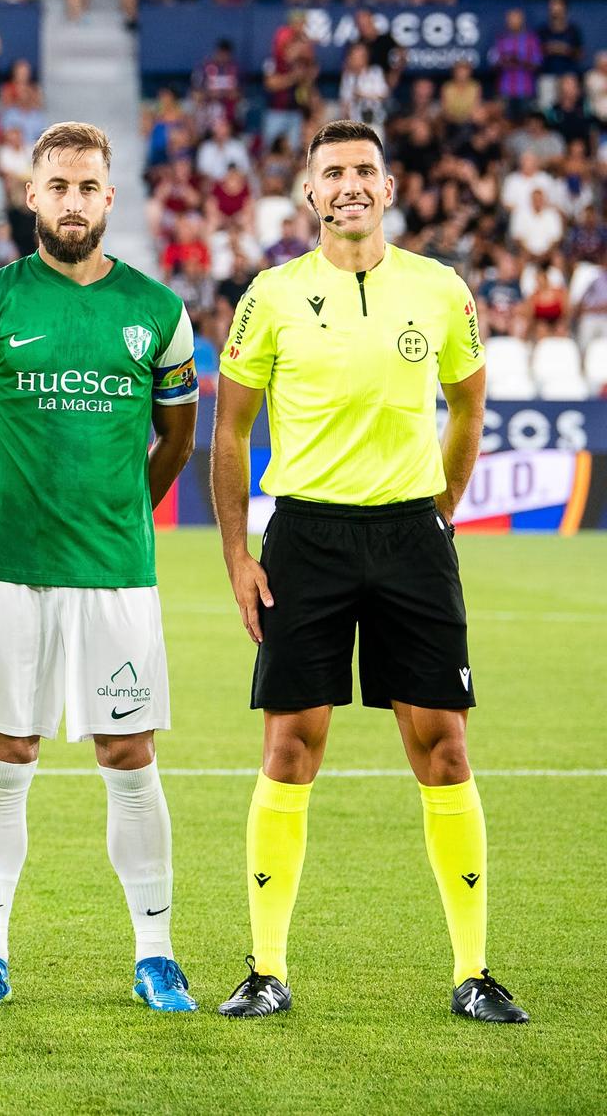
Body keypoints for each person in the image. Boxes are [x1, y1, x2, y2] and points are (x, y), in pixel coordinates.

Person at [212, 120, 526, 1024]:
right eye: (332, 173)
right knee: (289, 748)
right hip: (305, 539)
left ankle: (473, 969)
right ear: (309, 193)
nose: (349, 185)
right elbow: (229, 433)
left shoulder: (440, 290)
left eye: (364, 171)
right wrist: (238, 554)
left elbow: (468, 405)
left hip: (409, 537)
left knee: (445, 748)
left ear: (389, 189)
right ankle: (266, 966)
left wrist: (443, 506)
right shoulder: (267, 296)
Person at [0, 121, 200, 1013]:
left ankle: (155, 952)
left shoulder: (158, 310)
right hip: (8, 569)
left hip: (117, 573)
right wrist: (6, 502)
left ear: (108, 199)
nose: (73, 201)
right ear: (31, 194)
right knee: (6, 753)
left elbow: (176, 444)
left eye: (89, 186)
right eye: (58, 186)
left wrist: (119, 507)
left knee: (129, 754)